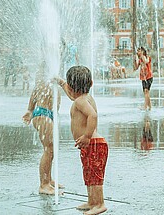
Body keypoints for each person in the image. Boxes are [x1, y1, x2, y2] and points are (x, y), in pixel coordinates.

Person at [56, 66, 108, 215]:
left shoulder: (80, 102)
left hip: (94, 144)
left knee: (95, 176)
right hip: (91, 146)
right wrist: (60, 82)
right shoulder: (84, 98)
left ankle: (100, 204)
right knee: (90, 174)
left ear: (71, 87)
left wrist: (87, 136)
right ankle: (92, 201)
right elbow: (72, 95)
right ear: (91, 83)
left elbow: (93, 116)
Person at [22, 61, 62, 195]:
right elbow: (36, 90)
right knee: (48, 149)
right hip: (43, 113)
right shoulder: (44, 68)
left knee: (52, 149)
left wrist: (29, 110)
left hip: (49, 114)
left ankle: (48, 179)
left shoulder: (52, 68)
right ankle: (43, 185)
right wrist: (29, 110)